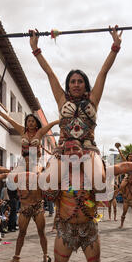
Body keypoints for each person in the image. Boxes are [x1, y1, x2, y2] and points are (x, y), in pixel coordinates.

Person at [28, 26, 122, 191]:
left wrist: (115, 47)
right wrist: (35, 49)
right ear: (68, 85)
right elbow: (49, 73)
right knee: (46, 184)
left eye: (80, 81)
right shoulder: (61, 99)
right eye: (73, 81)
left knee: (99, 183)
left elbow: (103, 72)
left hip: (88, 148)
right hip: (63, 150)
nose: (76, 84)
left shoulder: (93, 99)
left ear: (85, 84)